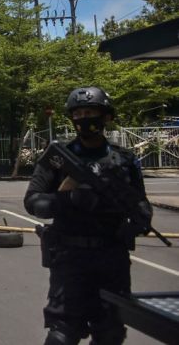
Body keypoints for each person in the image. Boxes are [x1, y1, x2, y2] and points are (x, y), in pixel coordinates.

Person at [24, 87, 151, 345]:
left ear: (105, 117)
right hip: (71, 257)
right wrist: (68, 200)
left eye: (90, 112)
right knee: (63, 332)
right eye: (79, 113)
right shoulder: (59, 159)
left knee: (111, 331)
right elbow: (33, 201)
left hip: (111, 256)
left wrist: (140, 219)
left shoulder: (123, 160)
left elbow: (140, 201)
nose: (84, 119)